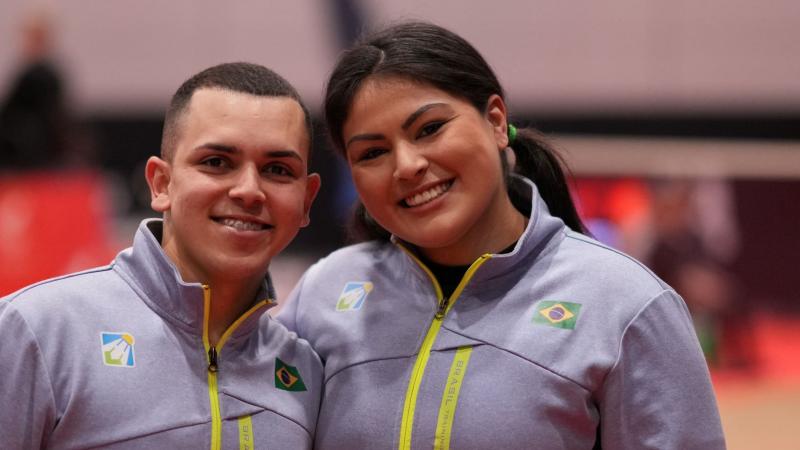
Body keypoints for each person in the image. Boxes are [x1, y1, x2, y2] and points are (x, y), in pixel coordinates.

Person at [278, 22, 725, 449]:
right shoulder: (323, 293)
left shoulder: (626, 305)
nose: (407, 165)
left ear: (495, 121)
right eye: (373, 152)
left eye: (430, 129)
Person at [0, 62, 322, 449]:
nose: (249, 190)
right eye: (217, 163)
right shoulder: (37, 330)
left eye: (277, 169)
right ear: (161, 183)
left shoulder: (304, 371)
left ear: (306, 201)